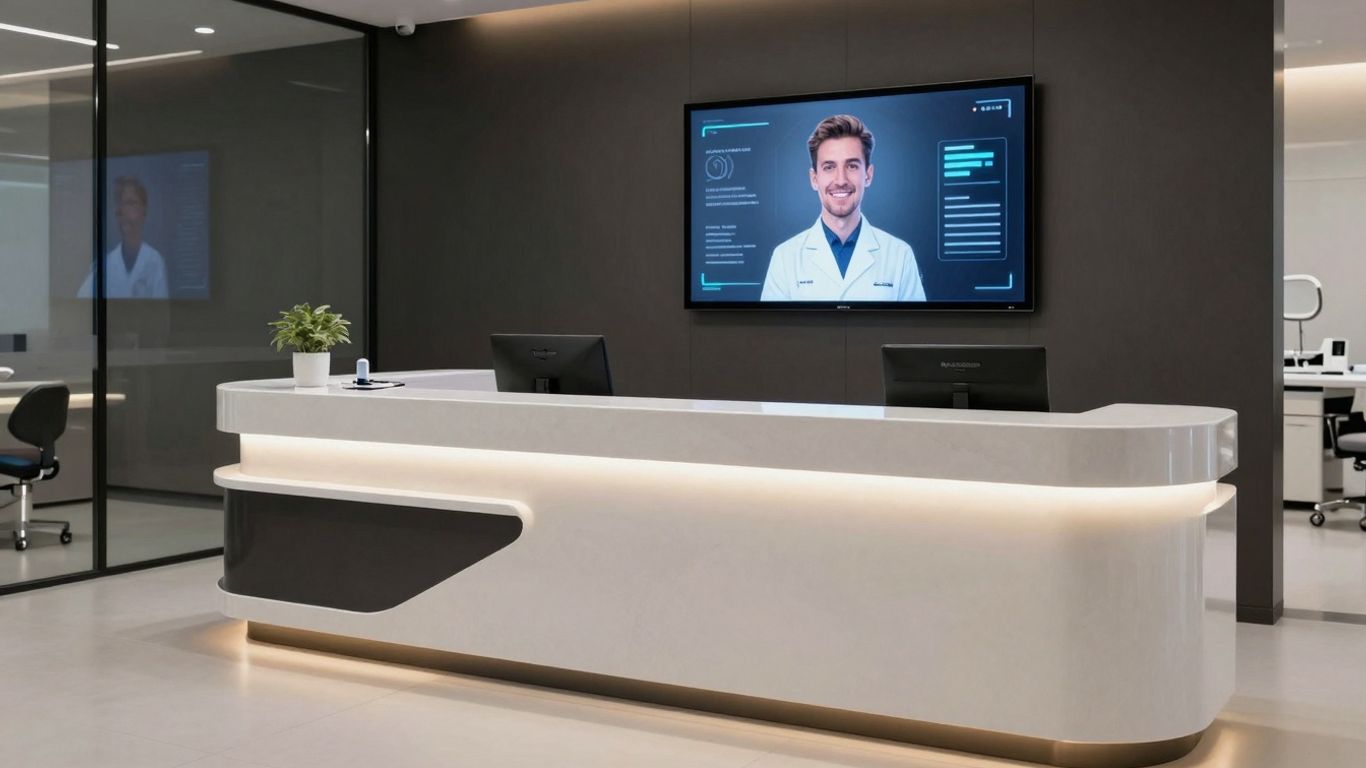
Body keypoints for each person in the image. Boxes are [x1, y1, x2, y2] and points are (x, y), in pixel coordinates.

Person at [761, 115, 925, 302]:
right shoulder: (784, 258)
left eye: (852, 166)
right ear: (814, 179)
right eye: (829, 167)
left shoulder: (900, 255)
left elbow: (915, 330)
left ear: (868, 175)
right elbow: (773, 331)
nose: (840, 180)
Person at [77, 176, 169, 299]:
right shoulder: (105, 265)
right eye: (121, 205)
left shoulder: (155, 262)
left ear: (144, 211)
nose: (124, 211)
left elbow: (162, 313)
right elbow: (81, 301)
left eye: (131, 203)